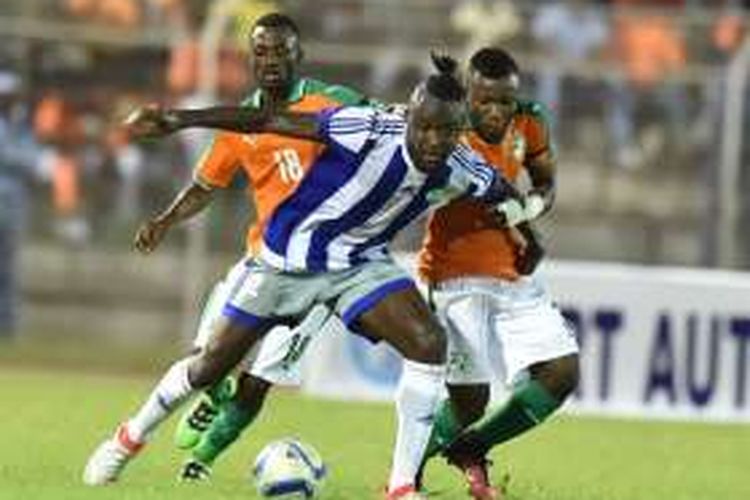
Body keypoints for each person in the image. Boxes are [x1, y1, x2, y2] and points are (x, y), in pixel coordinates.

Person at [83, 53, 521, 500]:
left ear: (458, 131)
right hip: (286, 259)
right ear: (410, 117)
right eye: (424, 127)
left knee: (429, 344)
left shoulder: (465, 167)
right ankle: (127, 440)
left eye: (445, 132)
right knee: (209, 365)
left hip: (358, 265)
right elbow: (267, 119)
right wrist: (178, 118)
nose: (432, 140)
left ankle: (401, 487)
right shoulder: (366, 128)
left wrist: (519, 215)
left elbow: (508, 196)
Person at [84, 11, 372, 480]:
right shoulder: (239, 122)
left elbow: (382, 124)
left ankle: (200, 462)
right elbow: (205, 185)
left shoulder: (332, 102)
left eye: (281, 50)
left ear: (299, 54)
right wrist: (163, 220)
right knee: (207, 361)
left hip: (323, 270)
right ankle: (153, 427)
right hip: (261, 261)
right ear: (251, 59)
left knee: (259, 382)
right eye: (261, 52)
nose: (272, 60)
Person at [415, 49, 580, 499]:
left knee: (561, 373)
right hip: (452, 276)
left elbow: (544, 185)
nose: (496, 111)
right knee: (470, 399)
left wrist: (527, 212)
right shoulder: (447, 129)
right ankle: (402, 480)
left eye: (505, 101)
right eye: (485, 101)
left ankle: (472, 447)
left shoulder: (531, 120)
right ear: (468, 95)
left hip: (510, 273)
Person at [0, 72, 38, 338]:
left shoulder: (20, 126)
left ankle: (6, 330)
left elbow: (31, 161)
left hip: (11, 208)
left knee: (7, 271)